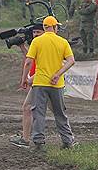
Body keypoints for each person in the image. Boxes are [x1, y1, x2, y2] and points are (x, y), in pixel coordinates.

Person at [23, 16, 75, 150]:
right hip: (57, 84)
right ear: (55, 27)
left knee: (38, 113)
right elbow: (71, 61)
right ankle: (67, 141)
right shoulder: (62, 42)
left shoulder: (37, 41)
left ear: (45, 27)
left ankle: (39, 143)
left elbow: (28, 61)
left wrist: (24, 79)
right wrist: (58, 74)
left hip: (40, 82)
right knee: (60, 113)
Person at [10, 26, 44, 148]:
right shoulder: (37, 45)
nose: (35, 34)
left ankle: (26, 139)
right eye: (34, 32)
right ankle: (69, 140)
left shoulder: (43, 45)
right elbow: (30, 58)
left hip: (42, 81)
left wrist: (29, 78)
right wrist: (22, 46)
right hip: (40, 82)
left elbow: (46, 66)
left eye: (38, 32)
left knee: (28, 108)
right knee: (28, 108)